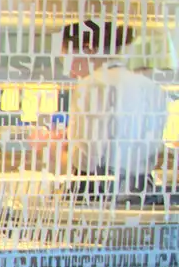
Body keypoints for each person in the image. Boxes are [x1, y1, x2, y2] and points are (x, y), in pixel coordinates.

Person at [66, 31, 175, 198]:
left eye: (68, 58)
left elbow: (86, 159)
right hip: (141, 189)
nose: (70, 70)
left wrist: (54, 150)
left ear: (89, 49)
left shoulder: (90, 85)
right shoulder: (151, 87)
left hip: (96, 192)